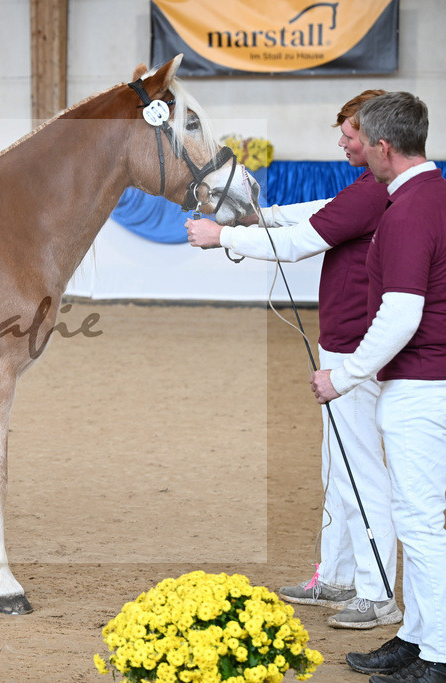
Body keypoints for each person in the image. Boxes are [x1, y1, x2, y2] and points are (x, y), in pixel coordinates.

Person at [186, 91, 399, 630]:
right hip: (346, 342)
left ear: (377, 136)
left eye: (350, 133)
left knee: (360, 470)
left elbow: (307, 238)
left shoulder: (377, 190)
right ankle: (337, 575)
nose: (342, 141)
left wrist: (223, 236)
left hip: (356, 347)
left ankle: (375, 592)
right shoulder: (368, 188)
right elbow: (317, 214)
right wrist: (260, 218)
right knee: (339, 466)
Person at [311, 91, 446, 683]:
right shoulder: (426, 195)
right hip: (423, 380)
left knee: (419, 523)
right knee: (418, 518)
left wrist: (345, 375)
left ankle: (437, 653)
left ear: (383, 147)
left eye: (361, 140)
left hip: (421, 384)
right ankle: (416, 636)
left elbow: (401, 314)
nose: (354, 149)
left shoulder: (411, 208)